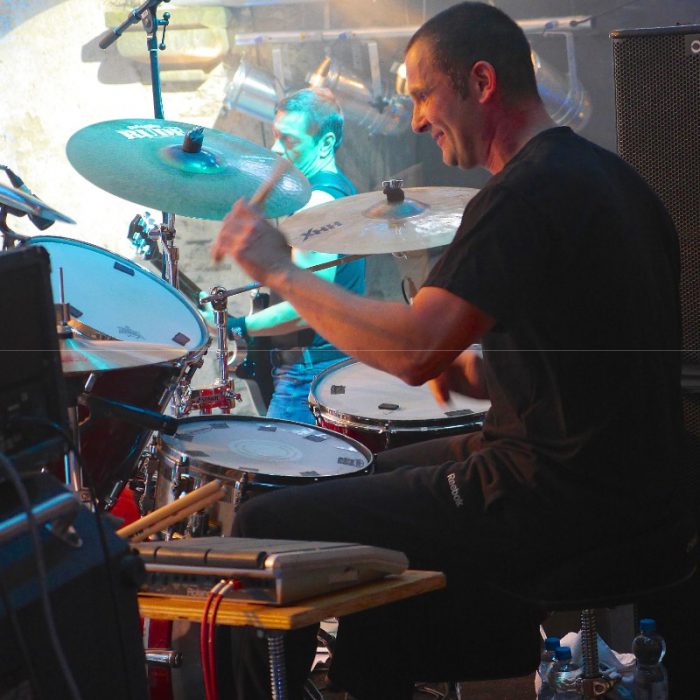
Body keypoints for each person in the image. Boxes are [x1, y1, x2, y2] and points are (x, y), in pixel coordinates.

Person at [211, 3, 684, 698]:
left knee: (262, 525)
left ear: (482, 83)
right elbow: (599, 360)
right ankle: (379, 670)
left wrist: (280, 271)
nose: (415, 120)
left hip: (551, 493)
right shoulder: (614, 180)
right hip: (635, 487)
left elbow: (414, 352)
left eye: (423, 95)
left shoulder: (524, 194)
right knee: (361, 473)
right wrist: (483, 374)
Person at [223, 87, 365, 425]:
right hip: (329, 366)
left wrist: (238, 327)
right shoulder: (340, 188)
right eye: (275, 136)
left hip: (309, 374)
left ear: (326, 143)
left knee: (273, 458)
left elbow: (308, 309)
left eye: (289, 139)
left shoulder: (316, 206)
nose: (276, 148)